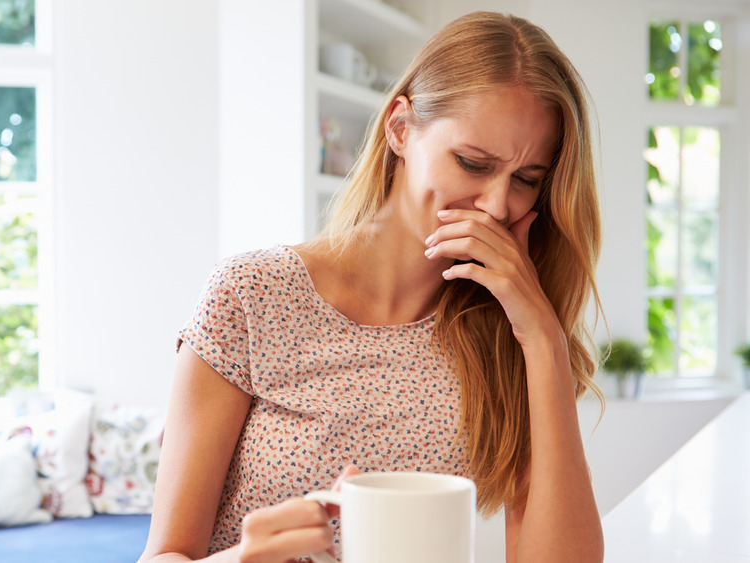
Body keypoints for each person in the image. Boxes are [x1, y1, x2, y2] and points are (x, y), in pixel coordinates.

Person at [140, 10, 604, 563]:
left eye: (526, 180)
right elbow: (164, 555)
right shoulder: (251, 295)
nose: (498, 205)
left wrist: (544, 338)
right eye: (472, 163)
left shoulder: (507, 339)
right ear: (400, 129)